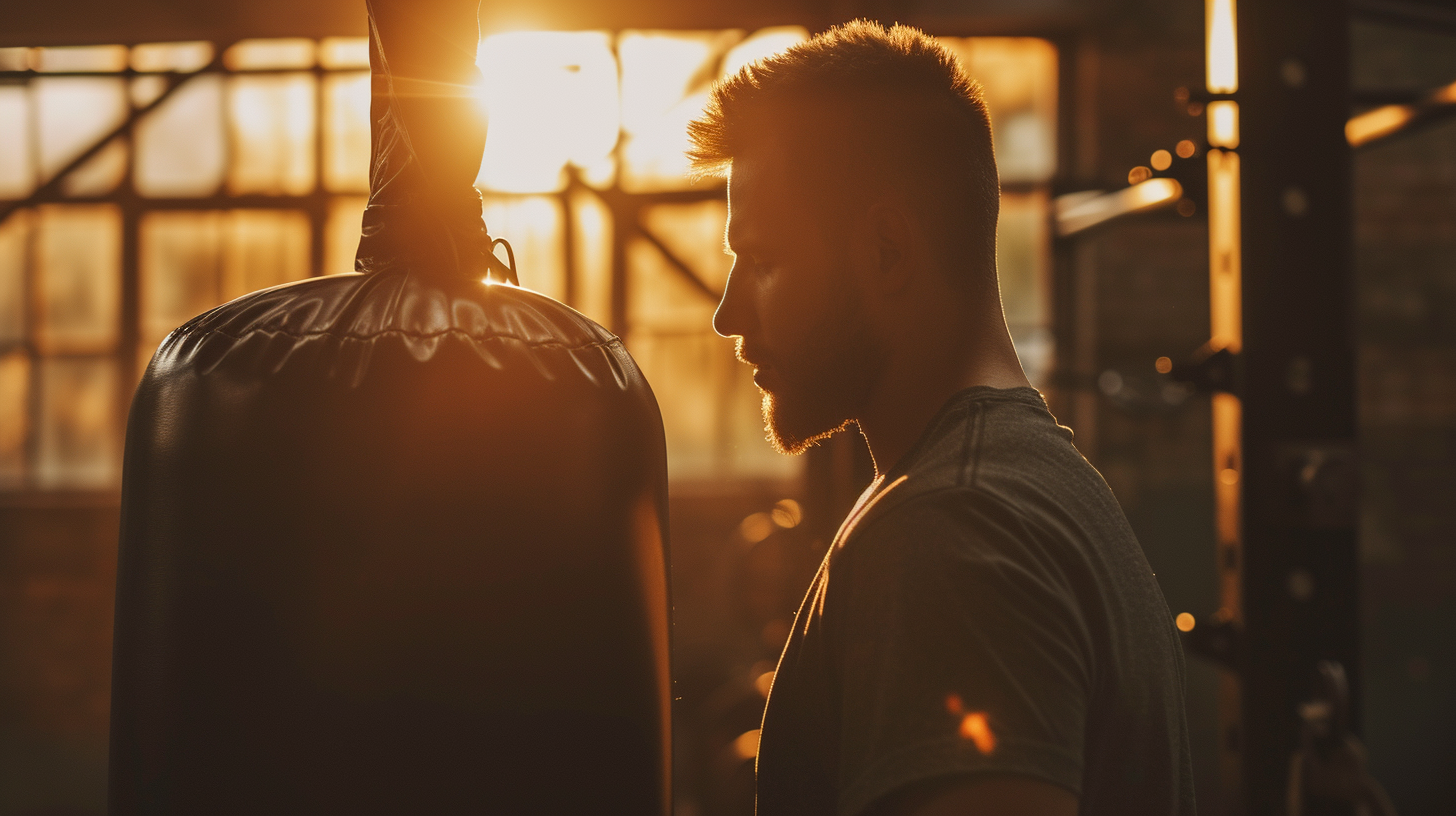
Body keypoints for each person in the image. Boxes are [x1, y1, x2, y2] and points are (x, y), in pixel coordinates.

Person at [688, 21, 1195, 816]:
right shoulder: (1030, 482)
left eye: (764, 261)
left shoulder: (953, 527)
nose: (728, 313)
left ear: (887, 251)